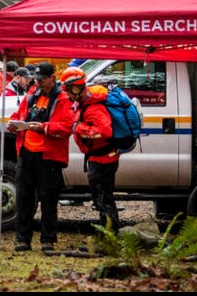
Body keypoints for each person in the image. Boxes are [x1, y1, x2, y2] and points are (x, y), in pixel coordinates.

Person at [8, 61, 74, 252]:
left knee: (49, 200)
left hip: (49, 157)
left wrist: (44, 127)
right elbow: (17, 114)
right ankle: (22, 239)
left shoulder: (63, 99)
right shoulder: (31, 96)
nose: (39, 83)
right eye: (37, 80)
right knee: (24, 199)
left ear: (52, 78)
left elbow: (66, 127)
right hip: (27, 154)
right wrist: (12, 124)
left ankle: (48, 240)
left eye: (43, 80)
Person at [61, 66, 120, 231]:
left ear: (76, 87)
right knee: (102, 198)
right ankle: (109, 233)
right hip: (100, 158)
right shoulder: (86, 103)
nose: (67, 94)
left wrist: (79, 129)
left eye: (68, 90)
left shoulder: (94, 107)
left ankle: (110, 236)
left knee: (103, 199)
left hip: (102, 160)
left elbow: (104, 131)